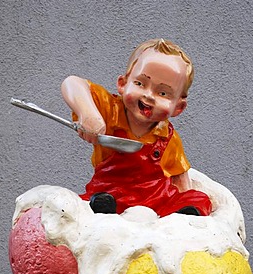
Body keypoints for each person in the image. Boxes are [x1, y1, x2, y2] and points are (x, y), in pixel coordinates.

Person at [61, 38, 212, 217]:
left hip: (156, 201)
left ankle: (183, 217)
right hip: (111, 192)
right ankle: (104, 211)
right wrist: (88, 113)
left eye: (163, 93)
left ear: (178, 107)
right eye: (140, 84)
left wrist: (184, 197)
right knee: (101, 202)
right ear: (123, 84)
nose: (148, 95)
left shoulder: (167, 137)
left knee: (198, 199)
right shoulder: (111, 111)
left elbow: (179, 177)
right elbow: (72, 83)